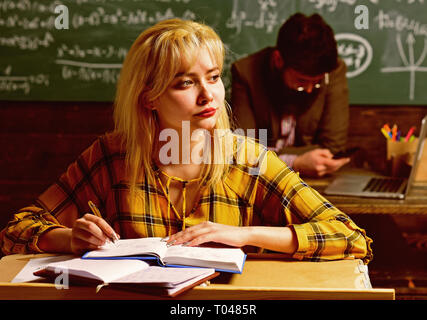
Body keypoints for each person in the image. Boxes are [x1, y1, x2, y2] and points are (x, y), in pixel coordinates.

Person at [0, 19, 372, 264]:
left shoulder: (248, 158)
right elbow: (16, 231)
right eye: (185, 83)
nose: (208, 95)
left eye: (212, 77)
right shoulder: (111, 155)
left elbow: (350, 237)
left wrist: (242, 234)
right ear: (149, 97)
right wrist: (69, 239)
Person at [231, 13, 350, 178]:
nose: (310, 89)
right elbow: (243, 150)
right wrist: (295, 162)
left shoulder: (332, 70)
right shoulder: (246, 73)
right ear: (278, 60)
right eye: (301, 81)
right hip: (258, 181)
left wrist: (268, 152)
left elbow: (333, 148)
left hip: (314, 183)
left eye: (317, 82)